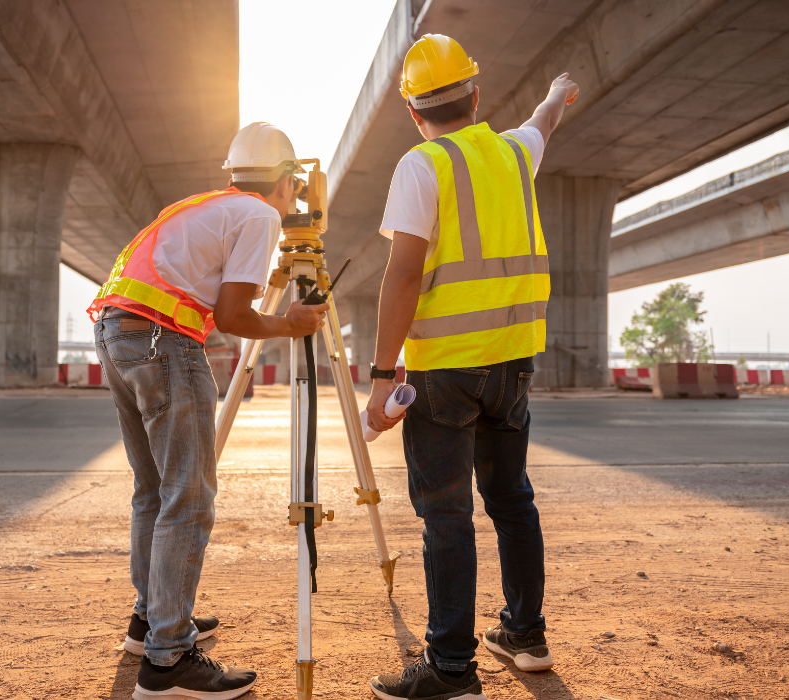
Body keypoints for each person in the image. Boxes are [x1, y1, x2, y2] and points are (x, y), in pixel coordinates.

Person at [362, 34, 579, 700]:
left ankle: (452, 669)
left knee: (447, 515)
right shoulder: (514, 153)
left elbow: (402, 276)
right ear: (476, 96)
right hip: (512, 366)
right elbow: (543, 122)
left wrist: (380, 374)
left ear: (411, 109)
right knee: (512, 500)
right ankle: (524, 634)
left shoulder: (422, 163)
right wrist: (554, 94)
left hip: (444, 373)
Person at [87, 122, 327, 700]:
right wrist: (289, 324)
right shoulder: (260, 215)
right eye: (295, 184)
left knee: (154, 492)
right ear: (286, 179)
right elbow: (234, 317)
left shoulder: (203, 206)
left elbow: (210, 286)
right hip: (164, 343)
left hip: (117, 334)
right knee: (187, 499)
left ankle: (151, 624)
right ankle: (168, 663)